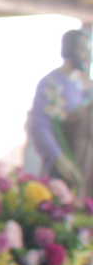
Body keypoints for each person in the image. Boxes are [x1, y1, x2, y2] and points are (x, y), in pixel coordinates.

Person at [27, 27, 91, 193]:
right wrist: (58, 158)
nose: (87, 56)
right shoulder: (50, 84)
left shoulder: (81, 87)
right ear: (71, 50)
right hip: (63, 166)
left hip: (84, 163)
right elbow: (40, 127)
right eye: (83, 50)